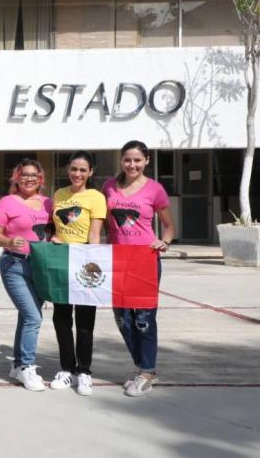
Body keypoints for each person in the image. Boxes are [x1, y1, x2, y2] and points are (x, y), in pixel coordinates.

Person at [104, 140, 174, 397]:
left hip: (145, 260)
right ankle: (142, 367)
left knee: (144, 320)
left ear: (146, 161)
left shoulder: (155, 189)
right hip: (117, 259)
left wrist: (163, 241)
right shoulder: (109, 186)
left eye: (137, 160)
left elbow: (169, 226)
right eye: (127, 160)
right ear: (121, 161)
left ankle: (147, 371)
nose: (132, 164)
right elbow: (103, 223)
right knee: (123, 319)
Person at [0, 158, 53, 392]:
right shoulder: (7, 203)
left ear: (40, 179)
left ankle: (17, 365)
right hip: (14, 265)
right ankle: (27, 366)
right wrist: (8, 240)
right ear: (16, 178)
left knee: (26, 317)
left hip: (40, 266)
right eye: (24, 174)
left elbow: (53, 230)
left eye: (33, 175)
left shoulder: (48, 203)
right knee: (33, 317)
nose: (28, 179)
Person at [48, 151, 106, 396]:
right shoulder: (59, 194)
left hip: (84, 259)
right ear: (67, 170)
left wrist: (91, 264)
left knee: (84, 320)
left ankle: (84, 371)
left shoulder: (96, 197)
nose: (77, 174)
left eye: (83, 170)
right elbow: (57, 226)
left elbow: (94, 234)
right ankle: (66, 369)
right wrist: (53, 237)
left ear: (90, 172)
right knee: (61, 318)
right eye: (74, 169)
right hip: (61, 259)